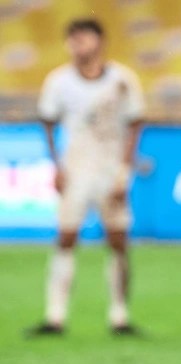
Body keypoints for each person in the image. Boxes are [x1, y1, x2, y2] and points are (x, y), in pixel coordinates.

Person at [29, 18, 144, 335]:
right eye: (73, 39)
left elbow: (135, 123)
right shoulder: (58, 81)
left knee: (118, 241)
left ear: (100, 41)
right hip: (76, 169)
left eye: (84, 38)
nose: (78, 45)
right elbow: (48, 122)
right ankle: (55, 316)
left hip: (110, 169)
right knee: (66, 238)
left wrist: (124, 171)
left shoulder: (122, 80)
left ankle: (119, 315)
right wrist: (56, 166)